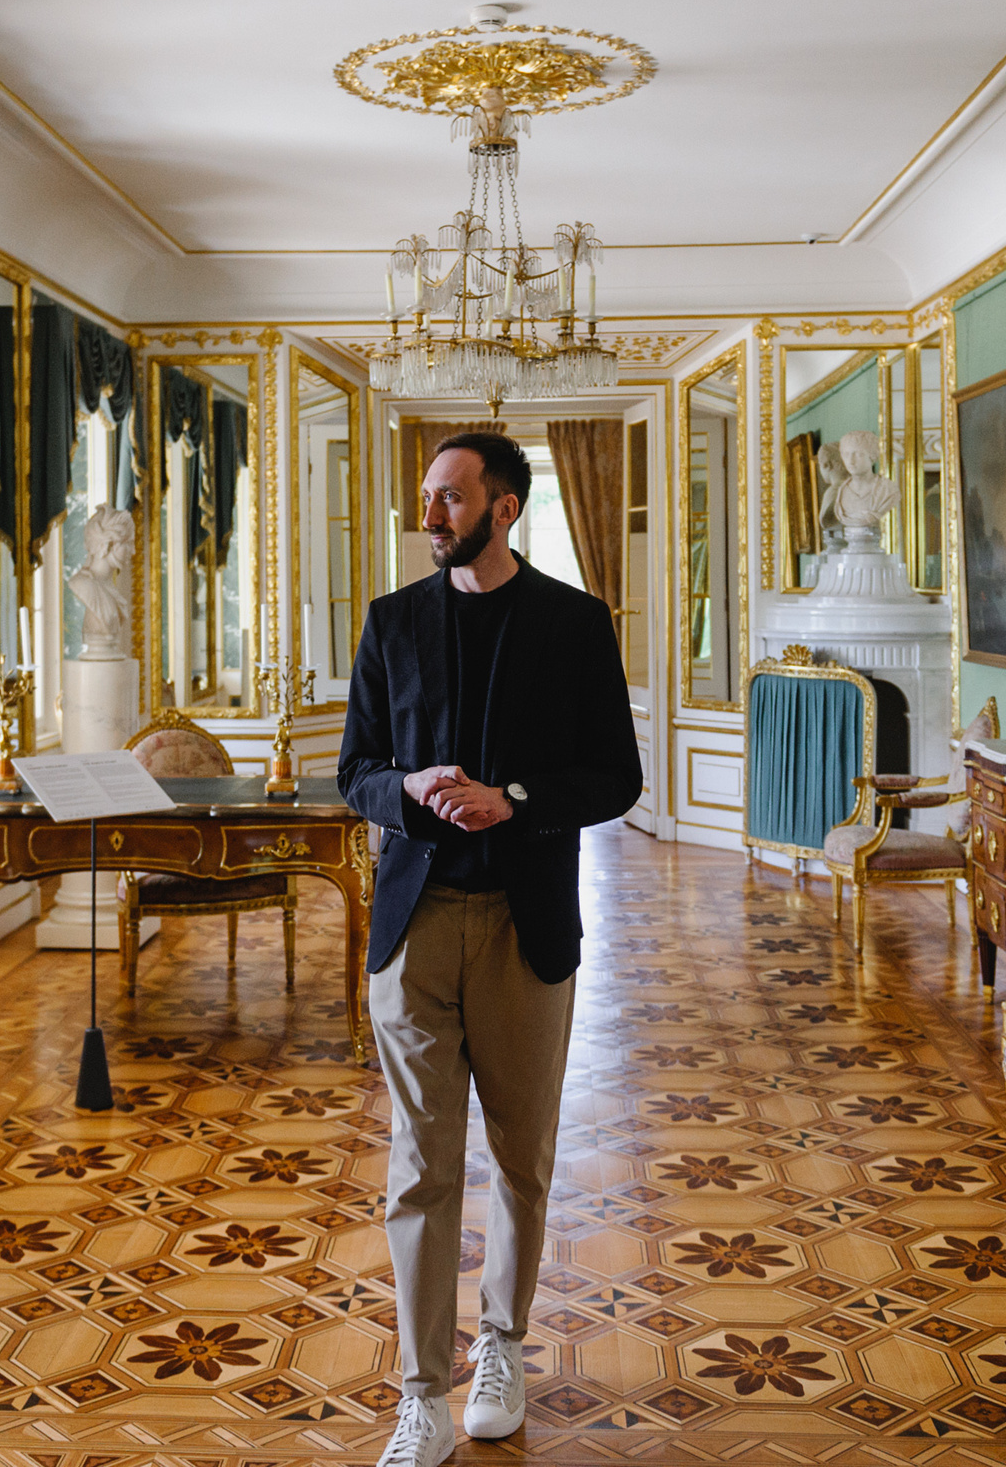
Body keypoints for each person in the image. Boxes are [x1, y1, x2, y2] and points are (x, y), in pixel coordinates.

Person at [339, 431, 641, 1467]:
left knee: (521, 1157)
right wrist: (412, 790)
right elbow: (356, 773)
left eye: (451, 498)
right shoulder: (390, 623)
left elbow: (616, 779)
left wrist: (509, 800)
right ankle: (421, 1392)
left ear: (503, 508)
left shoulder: (573, 624)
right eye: (426, 497)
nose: (431, 514)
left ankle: (501, 1347)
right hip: (413, 927)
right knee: (418, 1164)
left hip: (526, 927)